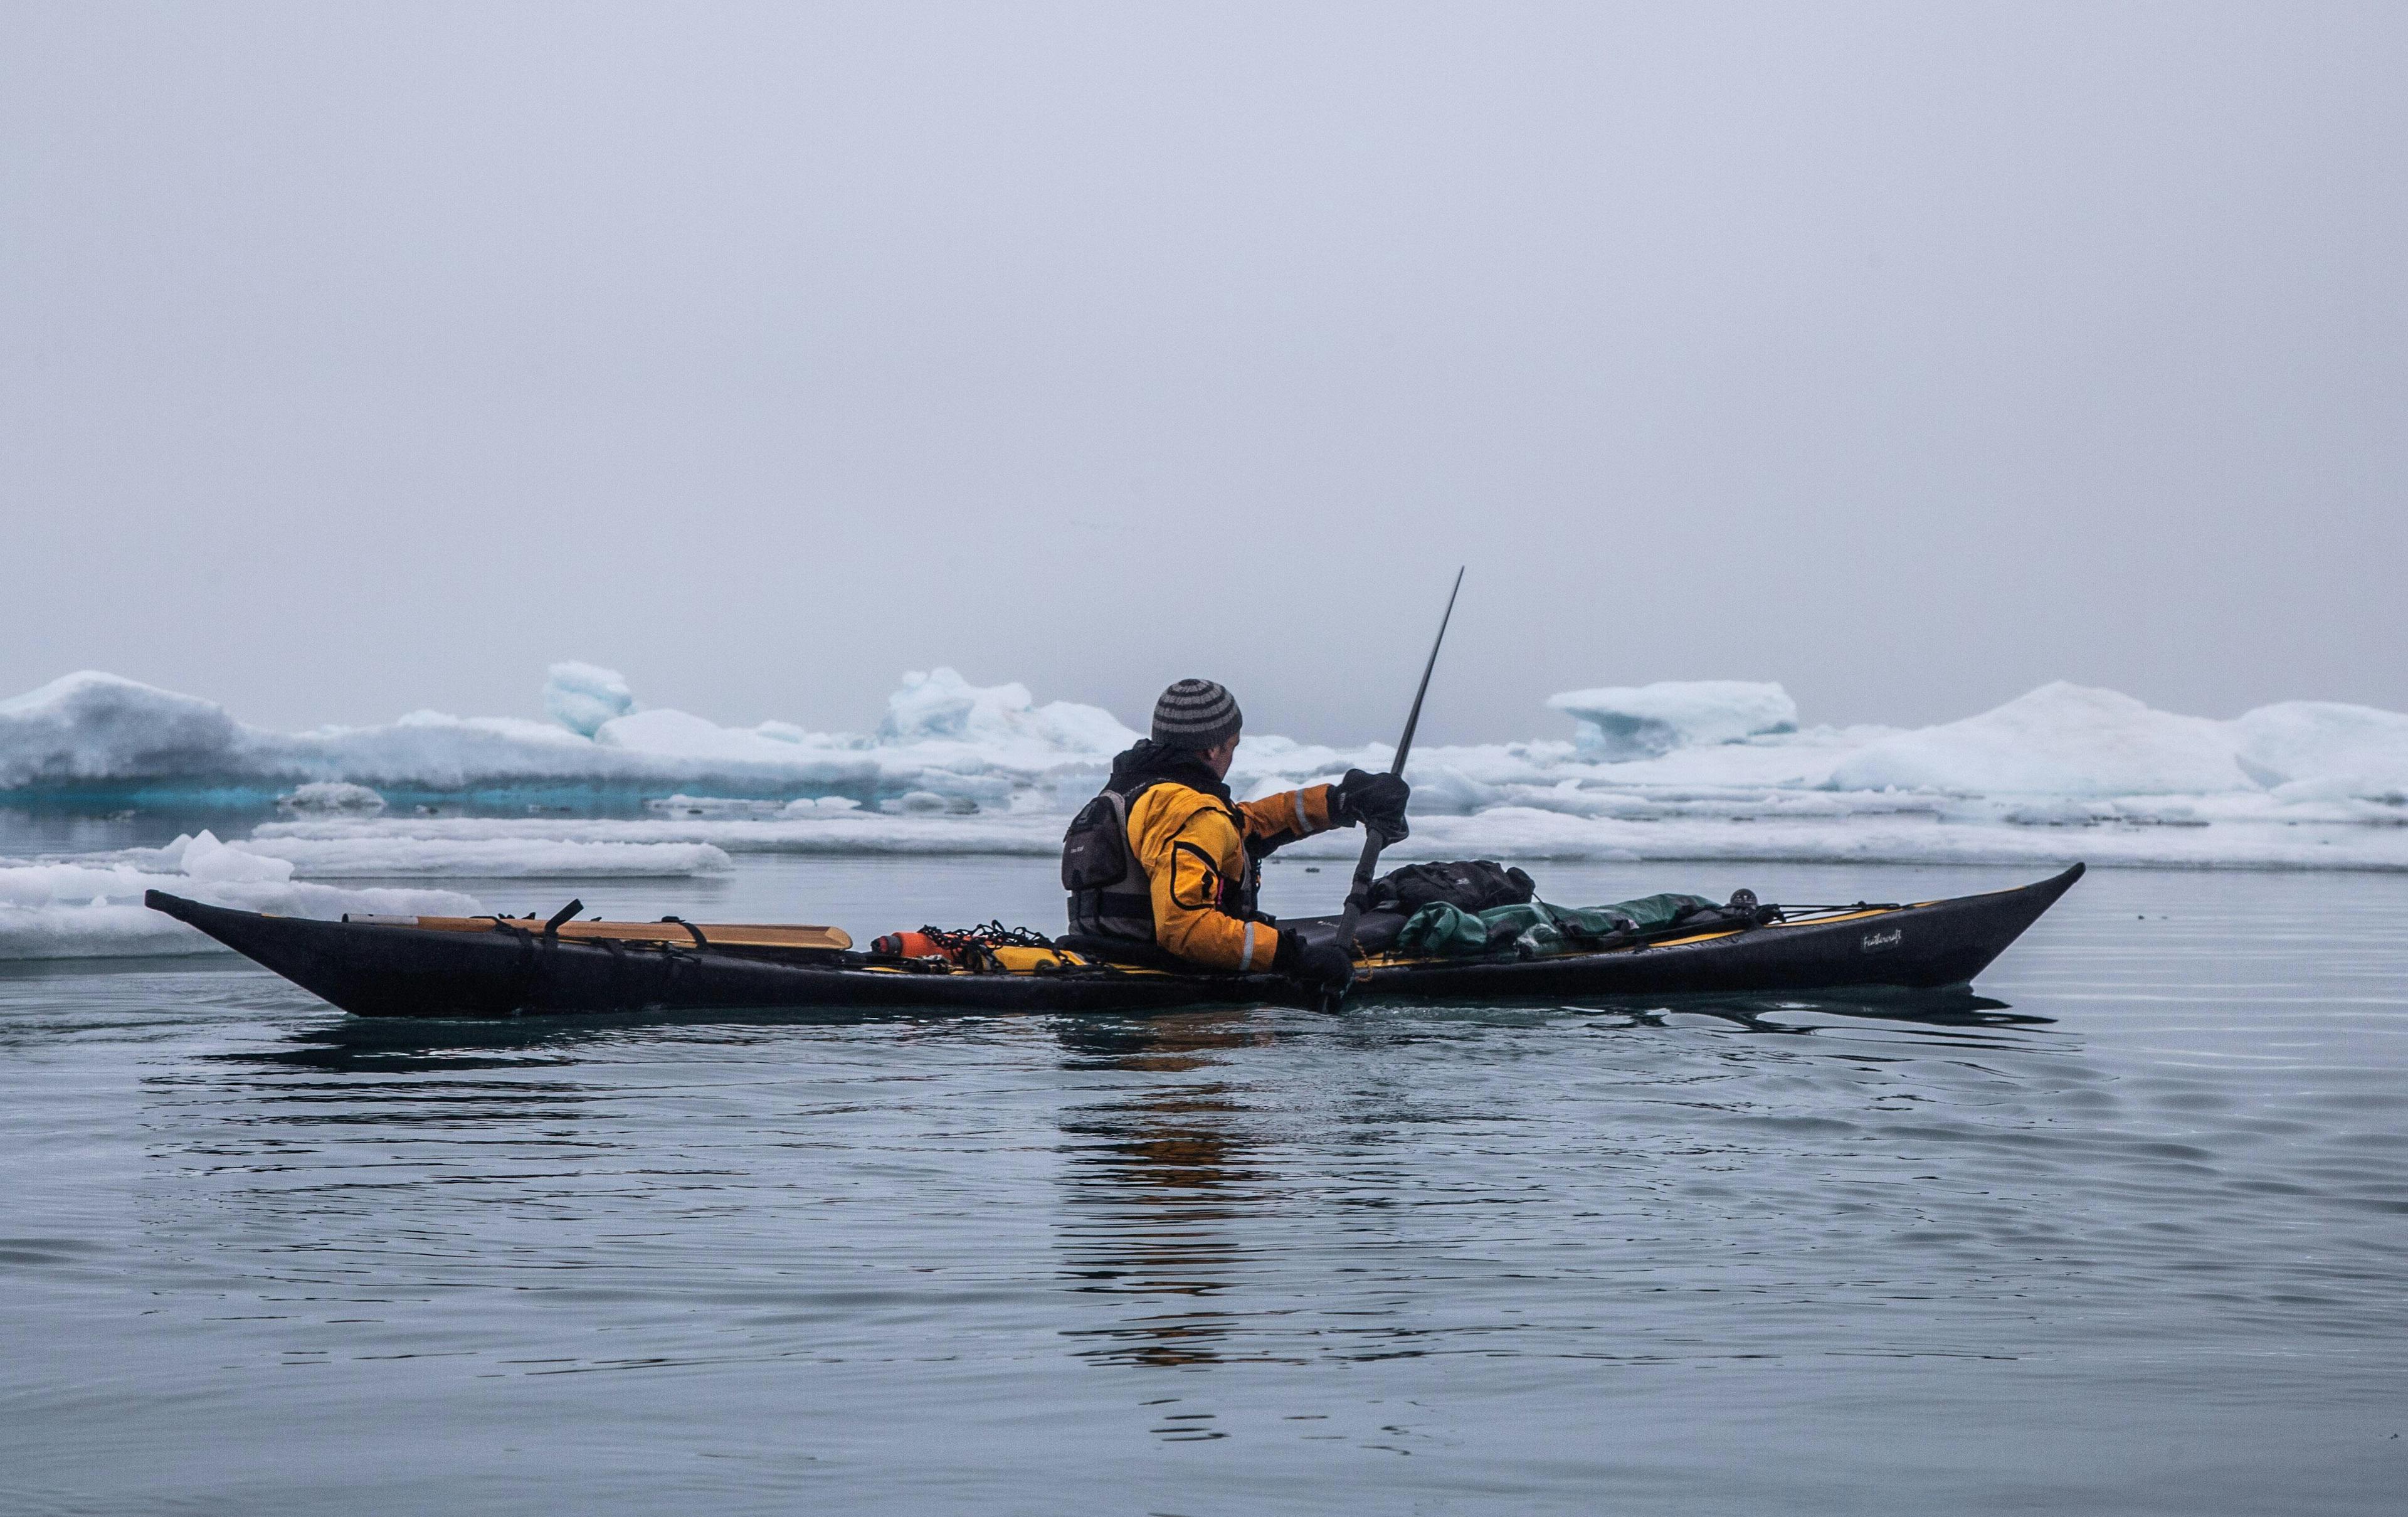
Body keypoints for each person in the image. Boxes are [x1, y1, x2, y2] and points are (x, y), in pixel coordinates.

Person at [1062, 679, 1410, 990]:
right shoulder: (1189, 810)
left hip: (1111, 951)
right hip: (1166, 982)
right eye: (1233, 745)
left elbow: (1245, 827)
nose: (1231, 756)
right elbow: (1187, 929)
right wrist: (1295, 958)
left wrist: (1339, 801)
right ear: (1212, 749)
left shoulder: (1142, 792)